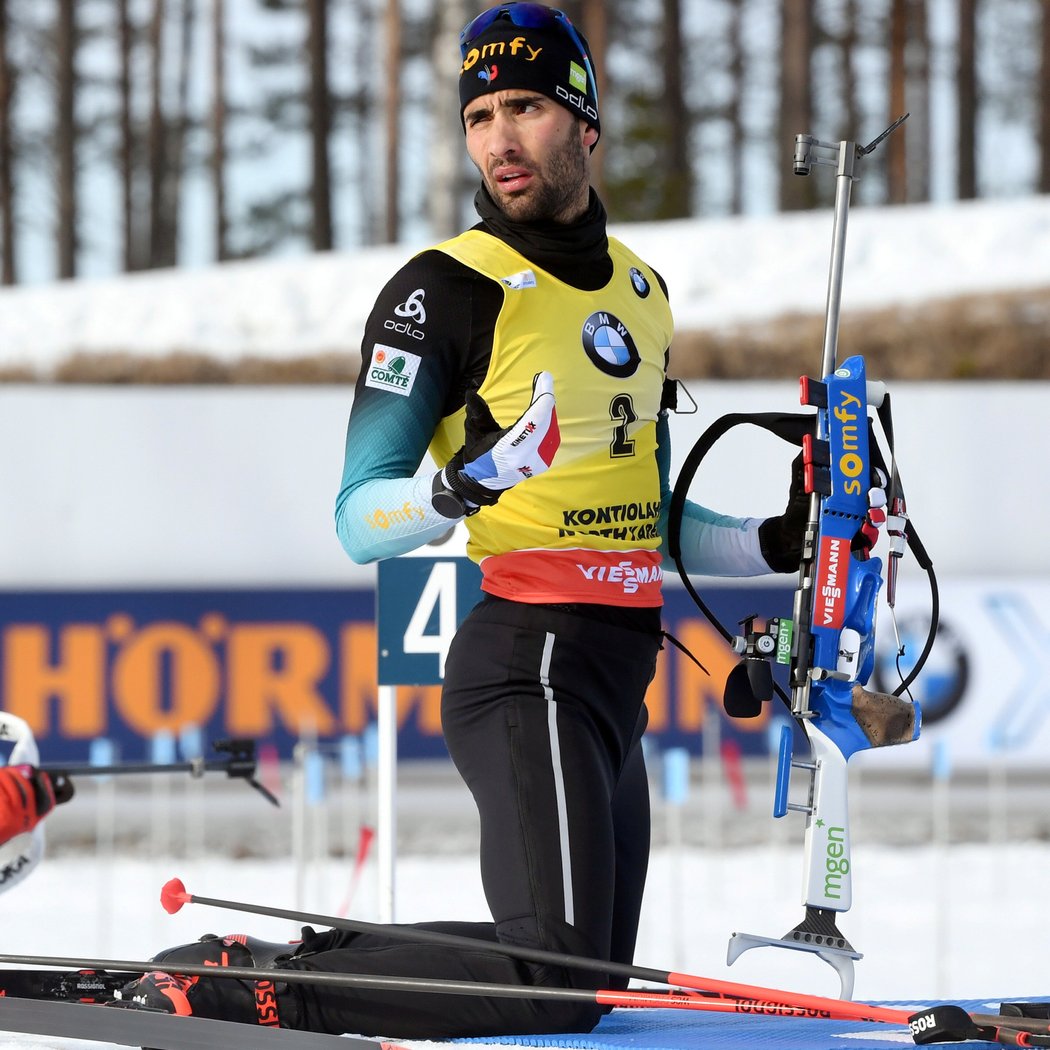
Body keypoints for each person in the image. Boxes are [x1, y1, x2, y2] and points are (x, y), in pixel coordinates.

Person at [120, 3, 881, 1038]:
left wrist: (773, 540)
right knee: (555, 978)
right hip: (528, 660)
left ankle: (296, 954)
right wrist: (464, 485)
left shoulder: (643, 292)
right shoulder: (442, 290)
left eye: (524, 105)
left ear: (585, 123)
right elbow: (358, 519)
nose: (498, 137)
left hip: (617, 674)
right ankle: (245, 992)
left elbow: (644, 515)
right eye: (479, 114)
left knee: (584, 978)